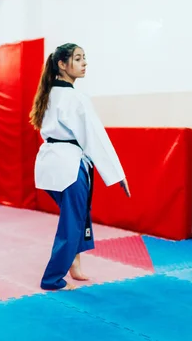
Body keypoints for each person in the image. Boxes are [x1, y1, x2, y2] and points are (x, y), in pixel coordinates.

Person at [29, 43, 131, 291]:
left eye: (84, 58)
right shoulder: (75, 97)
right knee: (73, 222)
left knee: (77, 216)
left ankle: (74, 264)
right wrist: (118, 174)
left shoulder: (47, 93)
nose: (84, 63)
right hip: (69, 167)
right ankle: (52, 279)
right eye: (78, 58)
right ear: (62, 65)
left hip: (48, 166)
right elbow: (96, 138)